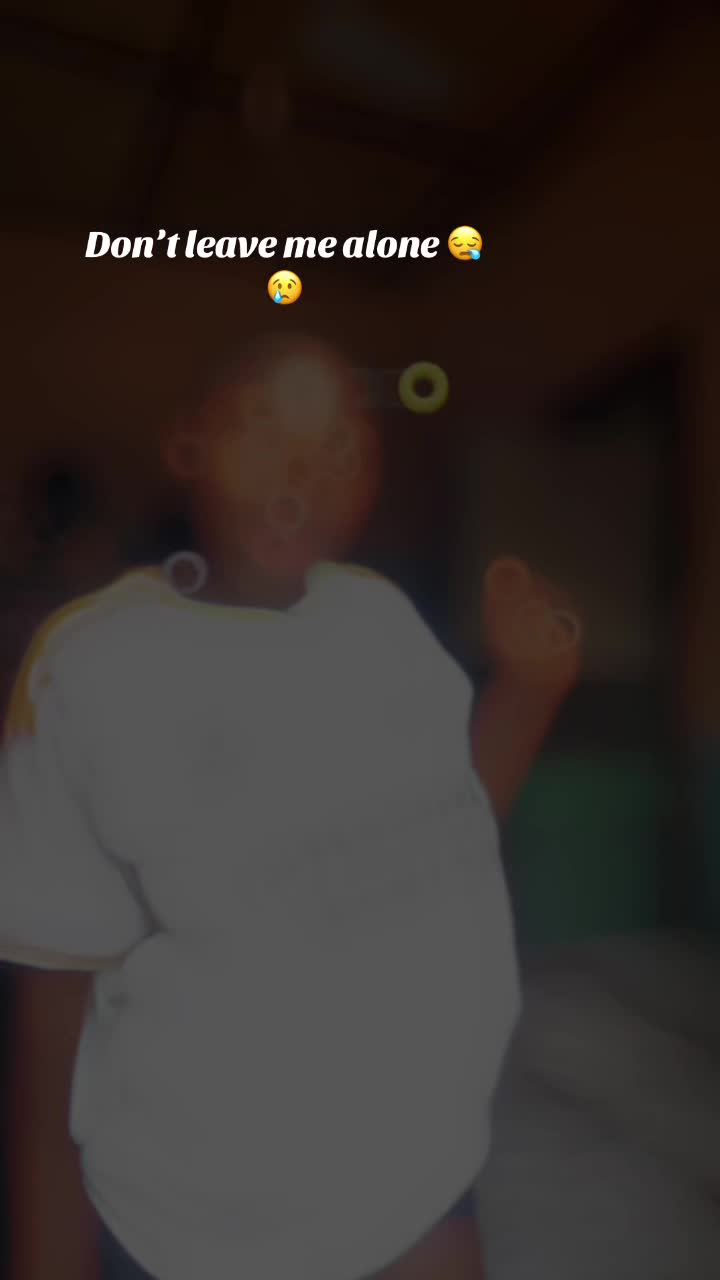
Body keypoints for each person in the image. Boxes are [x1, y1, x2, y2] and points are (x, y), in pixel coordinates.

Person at [2, 336, 580, 1280]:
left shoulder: (379, 619)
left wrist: (531, 690)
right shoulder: (92, 668)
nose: (304, 474)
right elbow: (49, 1035)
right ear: (188, 444)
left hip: (416, 1175)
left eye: (343, 449)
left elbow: (455, 837)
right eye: (266, 428)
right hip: (202, 1223)